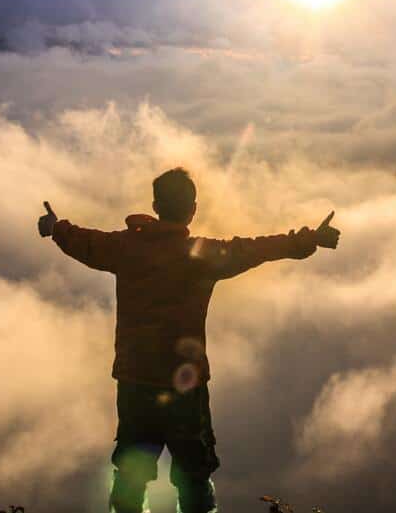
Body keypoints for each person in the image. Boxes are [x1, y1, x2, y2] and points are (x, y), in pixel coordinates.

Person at [37, 167, 340, 513]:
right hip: (186, 386)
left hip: (135, 383)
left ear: (155, 204)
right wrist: (309, 239)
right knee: (194, 476)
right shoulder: (202, 256)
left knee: (131, 476)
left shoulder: (124, 247)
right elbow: (256, 248)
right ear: (192, 208)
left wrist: (54, 227)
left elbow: (84, 241)